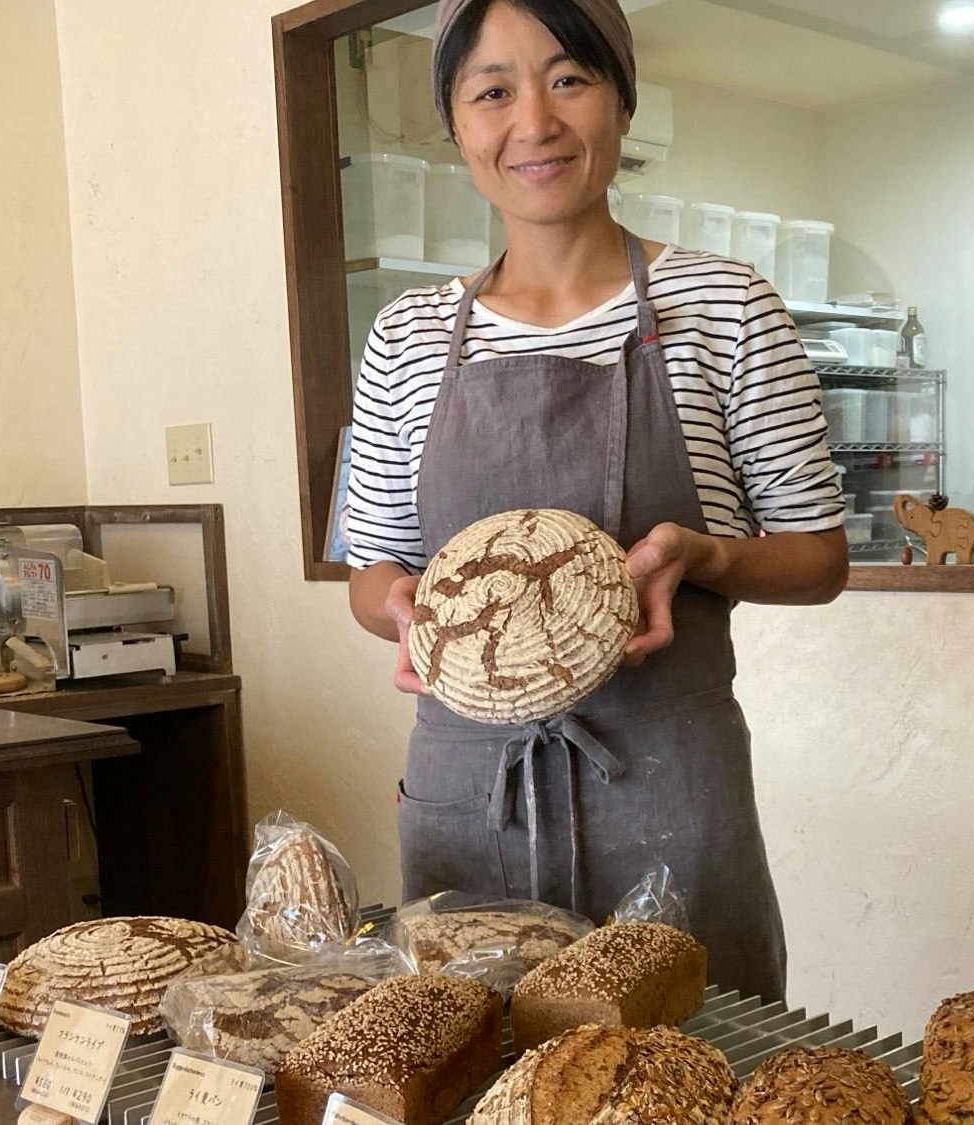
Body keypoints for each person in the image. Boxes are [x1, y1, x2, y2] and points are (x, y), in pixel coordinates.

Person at [342, 0, 849, 1000]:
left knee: (692, 1069)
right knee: (471, 1072)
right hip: (465, 789)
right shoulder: (405, 336)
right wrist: (403, 607)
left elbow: (817, 557)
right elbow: (372, 572)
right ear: (456, 125)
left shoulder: (725, 305)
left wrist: (696, 555)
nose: (532, 121)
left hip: (665, 783)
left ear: (620, 104)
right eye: (492, 90)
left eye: (569, 78)